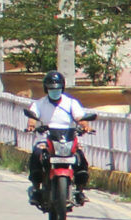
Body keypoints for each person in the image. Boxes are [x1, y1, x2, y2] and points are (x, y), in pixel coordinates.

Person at [23, 69, 94, 206]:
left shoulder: (71, 103)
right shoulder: (39, 104)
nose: (54, 91)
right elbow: (32, 117)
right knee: (37, 155)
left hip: (67, 138)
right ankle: (36, 189)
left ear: (62, 88)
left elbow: (80, 117)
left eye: (57, 88)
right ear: (46, 89)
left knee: (80, 157)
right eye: (51, 89)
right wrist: (31, 126)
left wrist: (85, 126)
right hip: (46, 138)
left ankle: (80, 190)